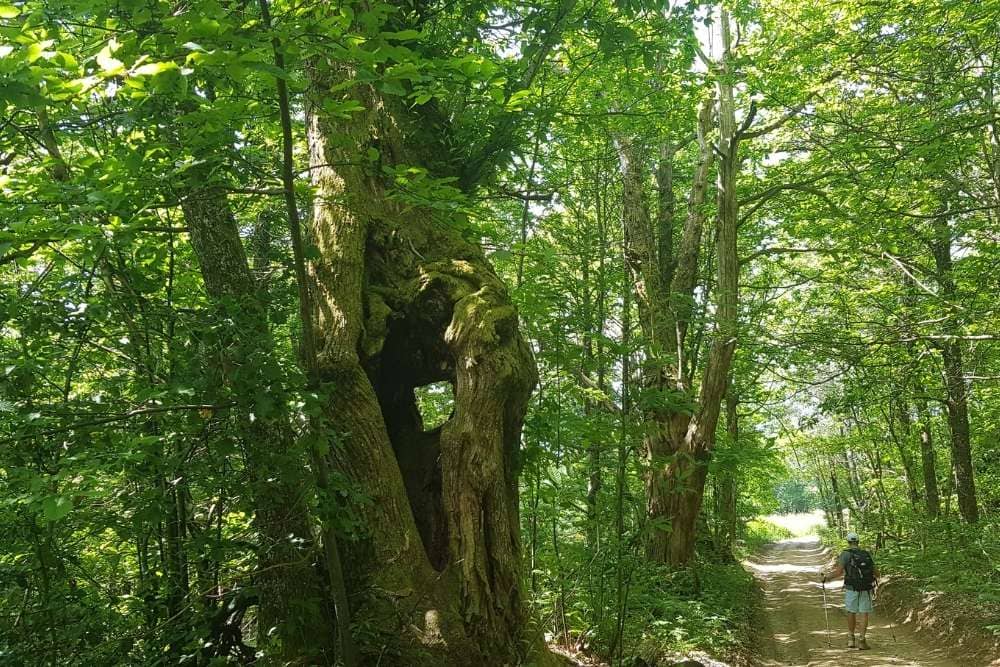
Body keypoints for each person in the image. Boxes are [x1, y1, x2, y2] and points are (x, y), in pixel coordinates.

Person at [822, 532, 879, 650]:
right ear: (858, 542)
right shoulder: (866, 553)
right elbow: (876, 573)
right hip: (866, 588)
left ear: (848, 542)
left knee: (851, 612)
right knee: (864, 613)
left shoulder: (845, 554)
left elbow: (839, 572)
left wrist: (826, 578)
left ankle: (851, 639)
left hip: (851, 587)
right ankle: (862, 641)